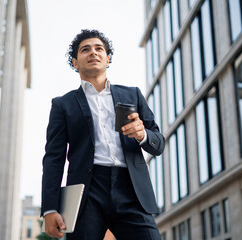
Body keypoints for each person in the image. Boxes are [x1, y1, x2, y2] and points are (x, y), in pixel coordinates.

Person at [41, 29, 165, 240]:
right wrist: (50, 209)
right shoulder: (63, 105)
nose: (93, 52)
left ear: (108, 59)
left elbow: (158, 144)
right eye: (85, 49)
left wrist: (143, 134)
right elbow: (54, 158)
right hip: (87, 193)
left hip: (131, 189)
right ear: (75, 62)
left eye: (99, 49)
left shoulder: (132, 94)